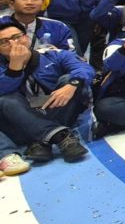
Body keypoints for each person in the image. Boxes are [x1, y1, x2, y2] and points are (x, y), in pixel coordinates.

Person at [0, 21, 91, 163]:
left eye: (17, 37)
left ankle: (40, 140)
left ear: (27, 37)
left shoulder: (54, 54)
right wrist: (14, 69)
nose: (13, 43)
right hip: (21, 117)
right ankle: (60, 136)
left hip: (58, 108)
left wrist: (72, 84)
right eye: (4, 42)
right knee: (5, 99)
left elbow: (84, 69)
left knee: (70, 79)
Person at [1, 0, 76, 51]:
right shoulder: (1, 22)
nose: (29, 2)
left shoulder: (58, 27)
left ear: (43, 4)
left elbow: (72, 56)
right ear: (11, 4)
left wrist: (56, 54)